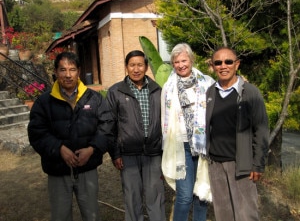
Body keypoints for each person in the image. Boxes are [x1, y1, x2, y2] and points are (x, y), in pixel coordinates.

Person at [28, 52, 113, 221]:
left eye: (72, 69)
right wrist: (59, 148)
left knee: (92, 215)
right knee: (61, 216)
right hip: (58, 170)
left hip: (87, 169)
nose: (68, 75)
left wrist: (92, 149)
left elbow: (107, 126)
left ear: (79, 71)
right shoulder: (44, 102)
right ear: (55, 72)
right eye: (63, 70)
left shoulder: (94, 98)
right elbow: (37, 132)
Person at [206, 47, 269, 221]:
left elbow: (261, 129)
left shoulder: (250, 93)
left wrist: (258, 164)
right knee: (223, 215)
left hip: (241, 165)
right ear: (213, 66)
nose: (223, 66)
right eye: (218, 62)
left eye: (228, 61)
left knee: (246, 215)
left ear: (237, 64)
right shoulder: (210, 92)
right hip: (215, 165)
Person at [106, 50, 166, 221]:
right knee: (132, 198)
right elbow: (109, 126)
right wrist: (115, 153)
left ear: (146, 67)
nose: (136, 69)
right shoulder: (116, 91)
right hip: (128, 154)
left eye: (140, 65)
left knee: (156, 196)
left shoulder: (157, 91)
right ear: (126, 67)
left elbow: (165, 123)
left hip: (154, 153)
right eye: (132, 65)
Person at [161, 43, 215, 221]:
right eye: (176, 62)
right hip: (180, 145)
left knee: (201, 194)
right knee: (184, 197)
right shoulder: (168, 88)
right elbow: (164, 120)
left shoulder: (207, 83)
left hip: (204, 146)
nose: (180, 65)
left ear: (191, 60)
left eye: (184, 60)